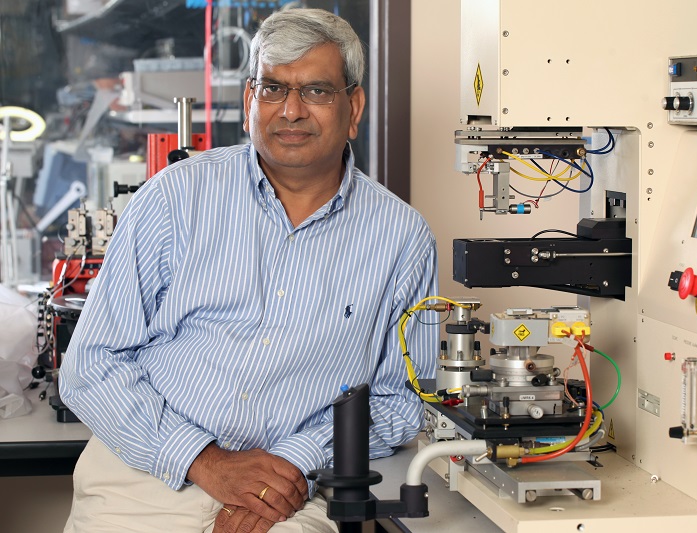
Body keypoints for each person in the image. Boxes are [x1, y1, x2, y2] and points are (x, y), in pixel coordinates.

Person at [59, 8, 438, 533]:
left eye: (317, 91)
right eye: (273, 88)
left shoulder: (402, 238)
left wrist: (289, 465)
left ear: (353, 107)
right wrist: (207, 463)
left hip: (298, 490)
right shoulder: (175, 198)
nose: (292, 111)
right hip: (145, 475)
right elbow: (90, 364)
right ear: (248, 103)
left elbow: (403, 400)